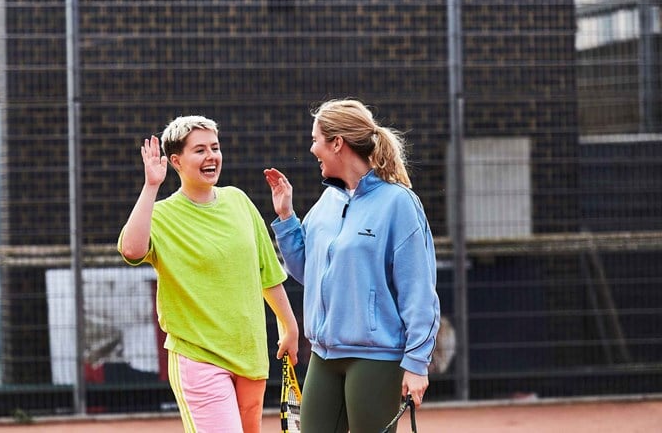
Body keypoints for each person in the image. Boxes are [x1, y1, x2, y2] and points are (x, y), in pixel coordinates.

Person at [264, 99, 441, 433]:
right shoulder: (326, 202)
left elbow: (418, 291)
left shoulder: (399, 203)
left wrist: (417, 364)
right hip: (323, 356)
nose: (312, 147)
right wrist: (286, 218)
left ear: (337, 143)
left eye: (316, 139)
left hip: (377, 358)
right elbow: (308, 273)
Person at [118, 115, 299, 433]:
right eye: (199, 150)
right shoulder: (161, 215)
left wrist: (290, 326)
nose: (211, 156)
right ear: (176, 160)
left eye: (214, 147)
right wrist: (151, 186)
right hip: (198, 355)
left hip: (251, 355)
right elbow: (131, 250)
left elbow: (268, 273)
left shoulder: (239, 201)